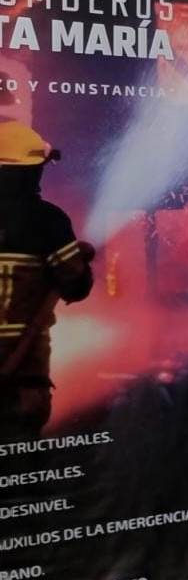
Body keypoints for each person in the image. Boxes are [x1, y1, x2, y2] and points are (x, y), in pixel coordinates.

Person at [0, 121, 94, 443]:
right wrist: (82, 266)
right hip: (24, 382)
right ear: (31, 172)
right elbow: (75, 286)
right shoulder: (48, 220)